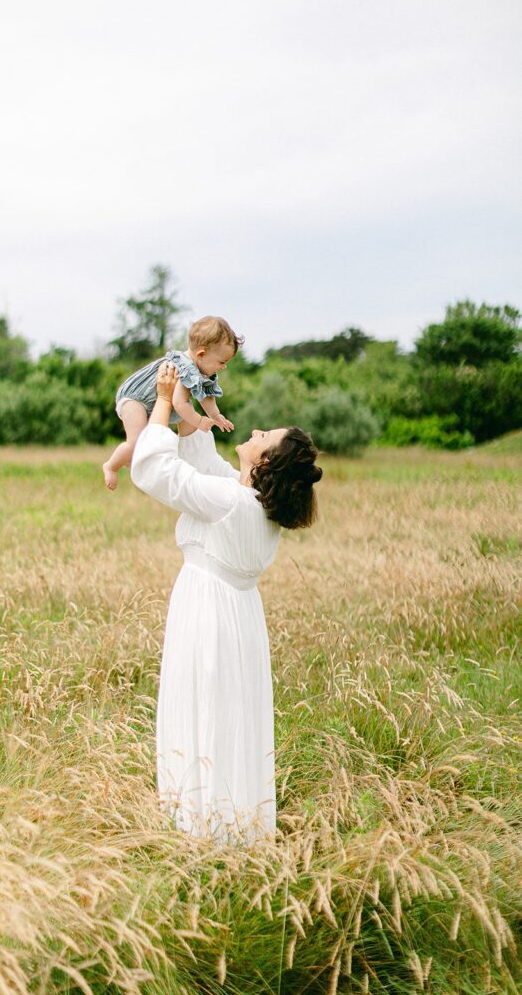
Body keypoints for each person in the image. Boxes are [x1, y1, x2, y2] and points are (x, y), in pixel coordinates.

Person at [131, 361, 322, 846]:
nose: (255, 430)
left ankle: (200, 830)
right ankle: (231, 827)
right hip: (236, 621)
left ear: (263, 464)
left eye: (264, 436)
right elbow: (205, 467)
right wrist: (187, 409)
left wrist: (158, 406)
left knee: (205, 710)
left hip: (207, 617)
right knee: (229, 716)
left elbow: (158, 471)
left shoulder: (233, 501)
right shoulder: (254, 505)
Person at [102, 316, 244, 490]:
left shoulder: (201, 369)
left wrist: (216, 416)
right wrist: (199, 421)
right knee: (137, 442)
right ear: (201, 354)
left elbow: (206, 395)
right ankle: (111, 466)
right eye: (222, 362)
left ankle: (132, 459)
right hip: (136, 399)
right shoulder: (185, 369)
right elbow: (179, 403)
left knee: (146, 447)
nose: (224, 367)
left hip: (154, 400)